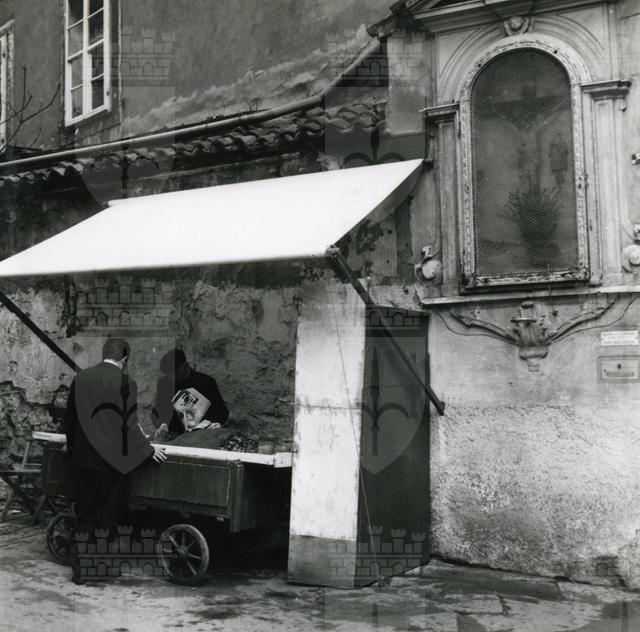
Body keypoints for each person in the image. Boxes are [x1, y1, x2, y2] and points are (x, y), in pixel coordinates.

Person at [64, 337, 167, 584]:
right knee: (107, 516)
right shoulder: (126, 382)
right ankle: (100, 568)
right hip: (112, 463)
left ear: (104, 355)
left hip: (83, 460)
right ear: (125, 359)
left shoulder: (81, 378)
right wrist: (148, 450)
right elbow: (128, 425)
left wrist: (72, 447)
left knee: (85, 514)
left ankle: (79, 571)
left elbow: (70, 418)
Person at [151, 348, 229, 440]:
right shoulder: (164, 383)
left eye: (176, 373)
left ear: (185, 366)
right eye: (170, 375)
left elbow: (222, 413)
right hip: (176, 436)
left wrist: (214, 423)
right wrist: (162, 425)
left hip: (202, 435)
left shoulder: (205, 382)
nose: (173, 378)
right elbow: (157, 413)